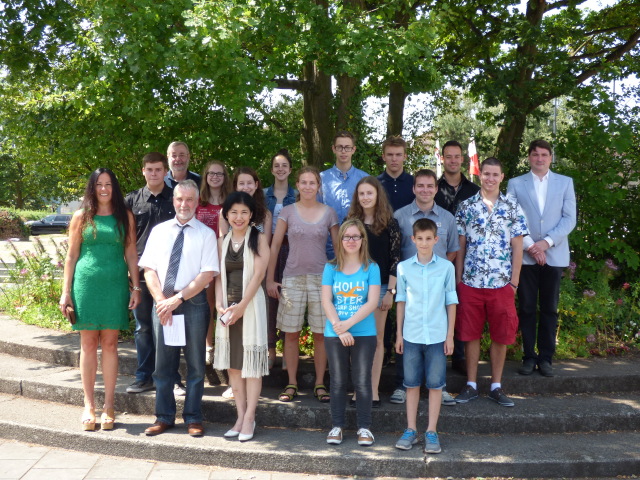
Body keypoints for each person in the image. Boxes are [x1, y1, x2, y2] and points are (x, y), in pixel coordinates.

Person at [59, 168, 140, 430]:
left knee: (111, 344)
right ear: (92, 188)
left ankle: (109, 406)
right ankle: (89, 405)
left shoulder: (124, 216)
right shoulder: (81, 216)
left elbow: (130, 253)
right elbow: (71, 256)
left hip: (115, 285)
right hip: (86, 285)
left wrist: (136, 287)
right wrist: (66, 291)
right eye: (99, 184)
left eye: (108, 184)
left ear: (114, 188)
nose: (103, 189)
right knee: (87, 343)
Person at [140, 180, 219, 437]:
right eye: (179, 199)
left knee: (196, 366)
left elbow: (207, 274)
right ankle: (163, 417)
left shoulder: (206, 234)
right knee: (163, 366)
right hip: (163, 305)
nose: (184, 204)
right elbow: (149, 269)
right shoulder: (159, 231)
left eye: (189, 200)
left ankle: (193, 418)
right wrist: (162, 300)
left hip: (193, 305)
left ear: (197, 202)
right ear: (173, 201)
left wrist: (178, 299)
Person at [454, 158, 528, 407]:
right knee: (469, 333)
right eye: (486, 174)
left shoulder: (512, 207)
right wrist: (458, 279)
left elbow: (518, 247)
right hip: (471, 282)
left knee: (501, 334)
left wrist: (514, 282)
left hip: (501, 284)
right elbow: (460, 247)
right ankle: (472, 384)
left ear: (502, 176)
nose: (490, 178)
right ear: (480, 175)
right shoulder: (466, 207)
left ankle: (496, 385)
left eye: (495, 174)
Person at [267, 166, 339, 404]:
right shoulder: (287, 211)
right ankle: (292, 383)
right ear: (297, 185)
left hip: (322, 279)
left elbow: (338, 250)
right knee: (290, 333)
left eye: (312, 182)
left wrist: (339, 280)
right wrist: (270, 278)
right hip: (292, 277)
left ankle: (320, 383)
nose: (308, 186)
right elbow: (275, 246)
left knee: (321, 334)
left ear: (319, 187)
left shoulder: (329, 212)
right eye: (304, 182)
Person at [507, 139, 576, 377]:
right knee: (526, 308)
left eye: (544, 154)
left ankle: (546, 358)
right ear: (529, 157)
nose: (539, 158)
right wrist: (531, 247)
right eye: (535, 154)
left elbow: (569, 219)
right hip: (525, 257)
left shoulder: (565, 183)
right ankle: (528, 356)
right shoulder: (515, 183)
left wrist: (545, 243)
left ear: (551, 157)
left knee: (550, 308)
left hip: (554, 255)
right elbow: (511, 217)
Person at [391, 169, 459, 406]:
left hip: (437, 282)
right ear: (413, 188)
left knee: (438, 334)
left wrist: (437, 273)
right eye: (420, 185)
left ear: (436, 188)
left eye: (430, 186)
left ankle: (439, 386)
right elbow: (394, 250)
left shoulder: (447, 218)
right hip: (409, 282)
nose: (425, 190)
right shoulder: (400, 217)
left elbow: (452, 250)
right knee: (407, 331)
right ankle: (402, 385)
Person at [394, 218, 457, 454]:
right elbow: (400, 301)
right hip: (411, 335)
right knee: (411, 384)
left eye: (428, 238)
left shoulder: (446, 268)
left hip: (438, 335)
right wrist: (399, 334)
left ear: (435, 240)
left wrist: (450, 335)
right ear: (413, 239)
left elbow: (451, 302)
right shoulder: (404, 268)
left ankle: (431, 430)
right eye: (419, 238)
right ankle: (411, 429)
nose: (423, 243)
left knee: (435, 385)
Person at [213, 191, 270, 442]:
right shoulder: (222, 240)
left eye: (244, 212)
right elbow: (217, 276)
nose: (239, 217)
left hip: (250, 307)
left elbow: (258, 277)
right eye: (234, 212)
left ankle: (250, 418)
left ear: (251, 215)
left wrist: (242, 307)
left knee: (251, 367)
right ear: (226, 214)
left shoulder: (258, 239)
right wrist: (218, 304)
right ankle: (239, 416)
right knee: (234, 366)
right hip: (227, 309)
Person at [322, 219, 380, 446]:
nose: (351, 241)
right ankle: (336, 426)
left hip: (364, 333)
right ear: (340, 240)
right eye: (347, 237)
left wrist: (348, 325)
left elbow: (372, 302)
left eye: (356, 236)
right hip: (334, 332)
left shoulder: (371, 268)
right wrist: (339, 327)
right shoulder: (330, 267)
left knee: (363, 381)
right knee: (337, 381)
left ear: (363, 240)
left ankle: (364, 429)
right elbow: (327, 300)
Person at [345, 176, 400, 407]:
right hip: (355, 289)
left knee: (377, 340)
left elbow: (396, 259)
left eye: (370, 193)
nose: (366, 197)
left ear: (378, 195)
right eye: (362, 194)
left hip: (381, 289)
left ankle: (373, 391)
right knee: (357, 340)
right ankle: (359, 390)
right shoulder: (350, 223)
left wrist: (391, 292)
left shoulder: (390, 223)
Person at [125, 153, 176, 395]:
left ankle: (173, 377)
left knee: (171, 325)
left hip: (171, 273)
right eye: (149, 169)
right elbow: (127, 240)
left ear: (165, 171)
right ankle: (144, 376)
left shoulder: (176, 197)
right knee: (143, 327)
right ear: (143, 171)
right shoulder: (132, 201)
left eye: (158, 169)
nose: (154, 173)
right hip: (142, 274)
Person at [434, 140, 480, 375]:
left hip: (466, 258)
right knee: (435, 305)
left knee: (460, 306)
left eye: (456, 156)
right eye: (448, 156)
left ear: (462, 159)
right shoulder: (433, 187)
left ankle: (460, 355)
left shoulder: (474, 191)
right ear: (442, 158)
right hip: (436, 257)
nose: (452, 160)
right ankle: (436, 353)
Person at [196, 160, 232, 365]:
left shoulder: (231, 201)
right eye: (211, 173)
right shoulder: (198, 201)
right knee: (207, 304)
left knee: (223, 303)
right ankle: (208, 345)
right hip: (203, 259)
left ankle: (223, 345)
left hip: (226, 258)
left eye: (219, 174)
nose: (215, 177)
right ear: (206, 176)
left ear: (225, 177)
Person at [264, 149, 297, 368]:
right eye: (277, 166)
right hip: (267, 249)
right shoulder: (263, 194)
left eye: (284, 165)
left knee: (289, 298)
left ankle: (288, 349)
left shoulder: (298, 195)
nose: (280, 169)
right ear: (272, 170)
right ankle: (270, 348)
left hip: (291, 249)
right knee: (268, 299)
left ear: (290, 169)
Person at [319, 131, 368, 258]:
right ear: (333, 149)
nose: (343, 151)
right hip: (326, 248)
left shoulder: (365, 179)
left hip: (356, 247)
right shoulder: (321, 179)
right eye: (339, 147)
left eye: (347, 147)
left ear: (354, 150)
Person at [220, 167, 272, 244]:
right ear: (235, 186)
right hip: (231, 255)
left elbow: (266, 246)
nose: (246, 187)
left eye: (249, 183)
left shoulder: (266, 214)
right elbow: (223, 244)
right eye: (241, 183)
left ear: (256, 185)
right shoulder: (225, 212)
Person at [377, 136, 414, 211]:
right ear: (383, 157)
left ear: (404, 157)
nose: (394, 159)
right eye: (390, 155)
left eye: (398, 155)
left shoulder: (415, 183)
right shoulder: (375, 183)